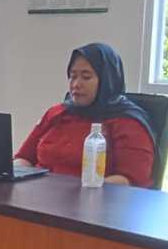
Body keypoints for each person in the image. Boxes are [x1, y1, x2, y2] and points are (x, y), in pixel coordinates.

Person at [15, 43, 155, 187]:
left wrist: (81, 192)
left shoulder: (128, 124)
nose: (76, 84)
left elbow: (132, 180)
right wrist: (14, 177)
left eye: (86, 77)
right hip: (38, 195)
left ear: (107, 80)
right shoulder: (57, 113)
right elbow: (23, 158)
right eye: (72, 76)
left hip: (94, 199)